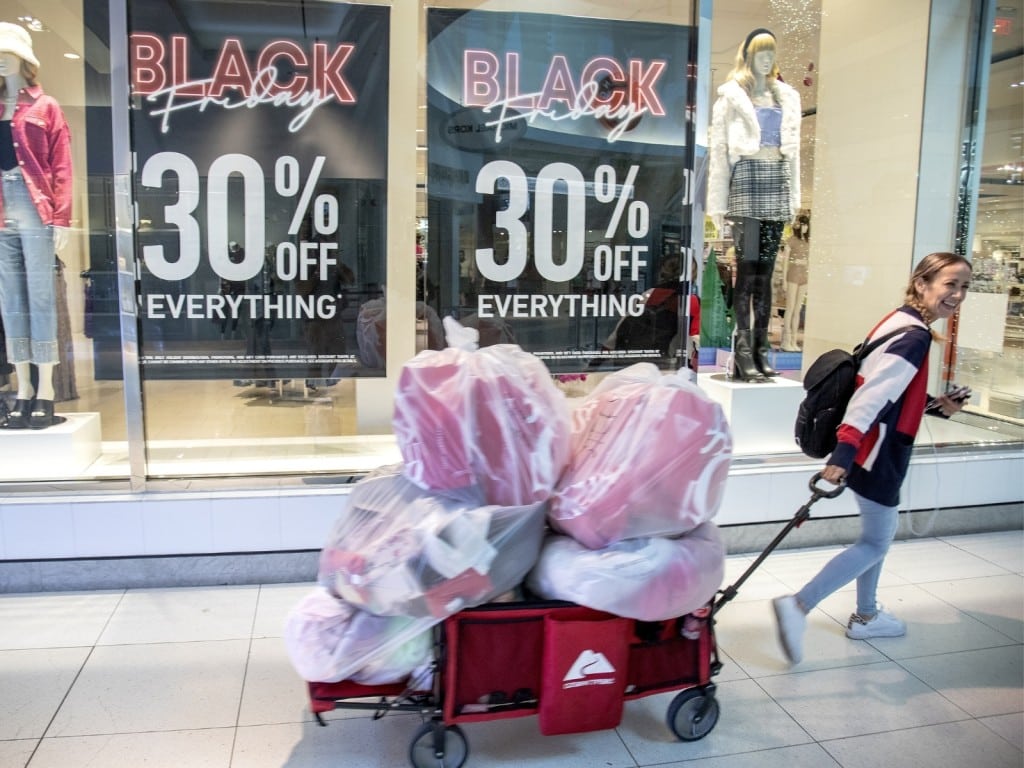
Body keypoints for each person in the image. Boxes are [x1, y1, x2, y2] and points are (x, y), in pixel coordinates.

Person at [772, 251, 973, 664]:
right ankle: (798, 606)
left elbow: (886, 389)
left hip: (869, 446)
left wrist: (936, 406)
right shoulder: (915, 336)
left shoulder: (898, 320)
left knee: (874, 538)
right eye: (950, 284)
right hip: (876, 451)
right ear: (922, 283)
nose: (958, 294)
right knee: (876, 541)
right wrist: (844, 452)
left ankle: (866, 615)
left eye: (965, 286)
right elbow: (872, 396)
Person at [707, 28, 801, 382]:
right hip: (746, 181)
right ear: (747, 56)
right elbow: (718, 155)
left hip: (776, 180)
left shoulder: (786, 98)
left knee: (766, 276)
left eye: (771, 51)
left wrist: (793, 196)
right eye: (760, 51)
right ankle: (743, 352)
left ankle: (763, 351)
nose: (766, 58)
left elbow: (792, 156)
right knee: (746, 274)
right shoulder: (730, 99)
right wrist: (717, 203)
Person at [0, 22, 72, 429]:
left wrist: (61, 216)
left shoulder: (45, 106)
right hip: (0, 209)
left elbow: (61, 166)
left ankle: (45, 389)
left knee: (41, 298)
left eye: (8, 55)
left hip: (34, 207)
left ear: (24, 62)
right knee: (11, 302)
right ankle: (22, 388)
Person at [781, 214, 810, 351]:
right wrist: (784, 280)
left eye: (806, 224)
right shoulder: (790, 241)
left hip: (804, 276)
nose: (805, 227)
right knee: (790, 308)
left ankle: (794, 340)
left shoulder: (809, 242)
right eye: (803, 224)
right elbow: (785, 261)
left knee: (797, 309)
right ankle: (786, 340)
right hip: (792, 275)